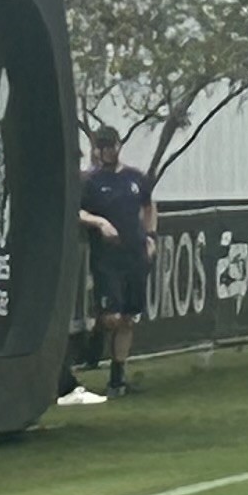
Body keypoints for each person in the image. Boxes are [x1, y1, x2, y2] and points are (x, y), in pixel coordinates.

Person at [76, 124, 155, 394]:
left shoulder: (135, 178)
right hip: (107, 257)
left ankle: (117, 378)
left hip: (134, 254)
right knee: (112, 317)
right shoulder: (90, 181)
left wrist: (150, 236)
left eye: (113, 146)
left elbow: (148, 206)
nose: (109, 151)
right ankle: (97, 335)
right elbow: (77, 212)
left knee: (129, 318)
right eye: (103, 147)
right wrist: (99, 222)